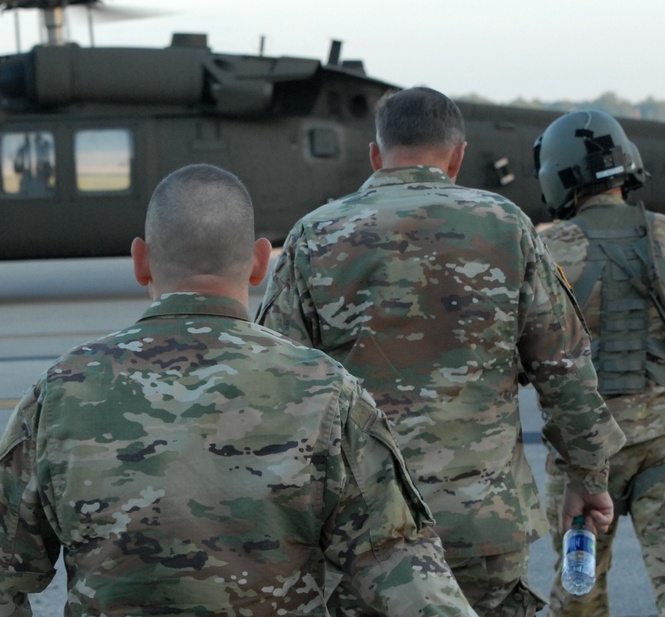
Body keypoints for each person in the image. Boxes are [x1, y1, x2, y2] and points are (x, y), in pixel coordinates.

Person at [0, 163, 478, 617]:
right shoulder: (326, 394)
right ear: (261, 262)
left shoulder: (62, 393)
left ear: (140, 260)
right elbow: (404, 571)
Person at [256, 87, 626, 617]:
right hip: (483, 528)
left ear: (375, 155)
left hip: (360, 535)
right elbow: (565, 371)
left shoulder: (314, 235)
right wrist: (588, 481)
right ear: (458, 156)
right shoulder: (506, 226)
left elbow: (277, 387)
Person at [533, 110, 665, 616]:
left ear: (558, 174)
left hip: (585, 455)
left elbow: (523, 358)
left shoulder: (547, 249)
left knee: (577, 595)